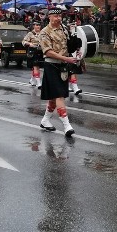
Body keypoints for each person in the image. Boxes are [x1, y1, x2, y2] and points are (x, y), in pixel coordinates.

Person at [38, 7, 78, 136]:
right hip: (52, 66)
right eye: (55, 16)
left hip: (63, 66)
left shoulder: (64, 29)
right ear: (49, 17)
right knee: (59, 96)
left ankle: (45, 120)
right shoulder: (44, 32)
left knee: (54, 98)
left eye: (60, 16)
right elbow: (48, 52)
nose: (58, 18)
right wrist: (66, 58)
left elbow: (69, 45)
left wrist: (77, 48)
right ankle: (67, 125)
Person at [22, 21, 43, 88]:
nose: (38, 26)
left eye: (39, 25)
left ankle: (32, 80)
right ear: (33, 26)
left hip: (40, 51)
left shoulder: (42, 33)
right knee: (36, 66)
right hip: (33, 52)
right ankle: (39, 83)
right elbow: (23, 41)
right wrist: (29, 44)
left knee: (37, 66)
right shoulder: (30, 34)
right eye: (36, 25)